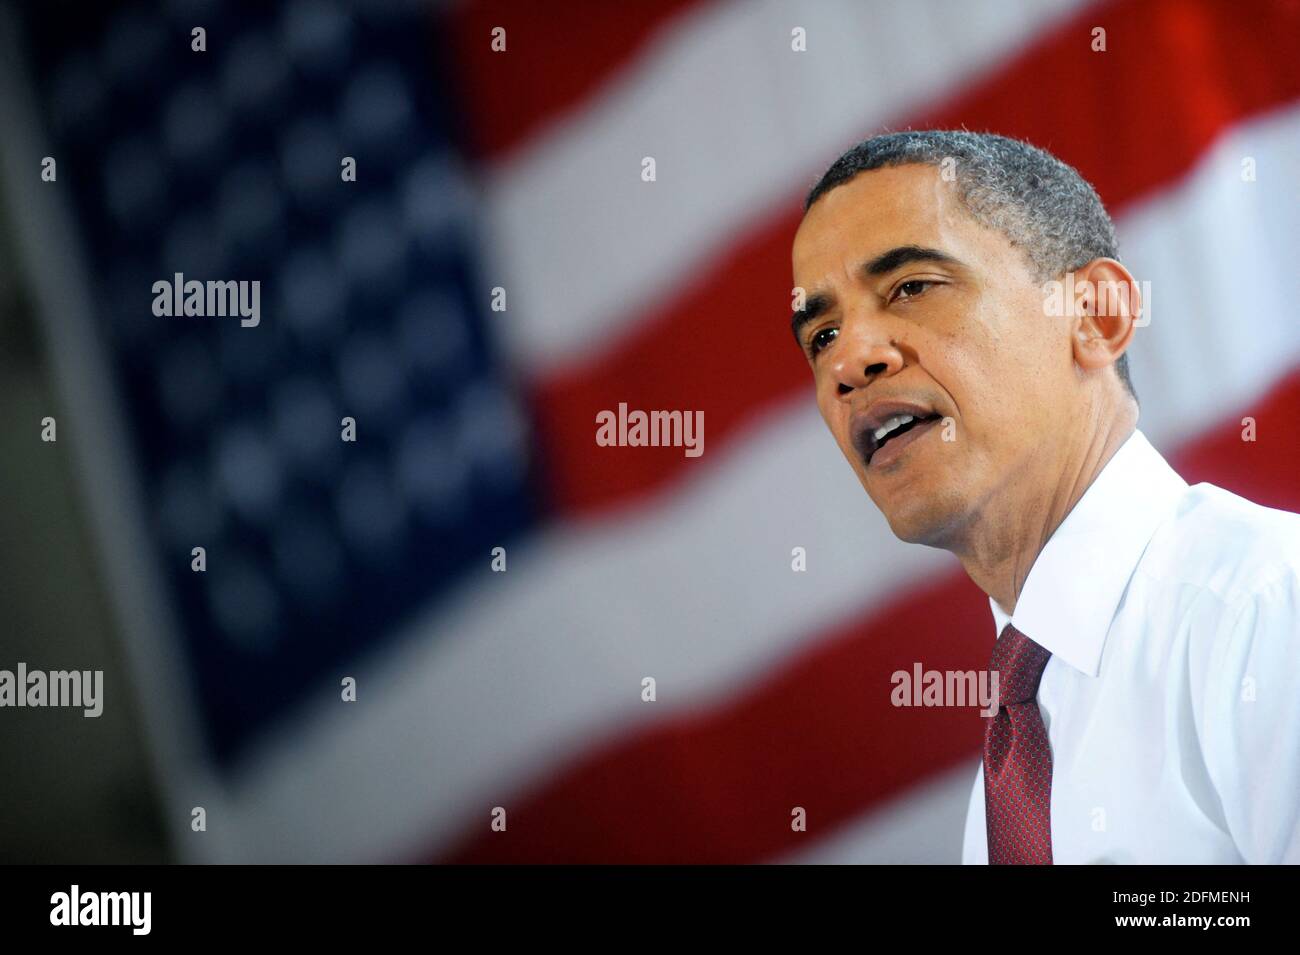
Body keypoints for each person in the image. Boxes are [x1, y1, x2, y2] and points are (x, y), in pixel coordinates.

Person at [790, 130, 1300, 864]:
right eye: (822, 334)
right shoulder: (1006, 778)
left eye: (912, 287)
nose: (848, 361)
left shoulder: (1265, 609)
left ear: (1095, 316)